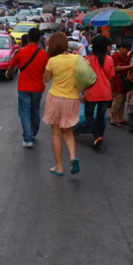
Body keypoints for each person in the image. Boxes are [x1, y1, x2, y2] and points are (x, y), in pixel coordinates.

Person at [42, 32, 81, 177]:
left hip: (56, 98)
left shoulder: (52, 61)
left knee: (56, 133)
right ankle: (73, 156)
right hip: (72, 98)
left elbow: (46, 80)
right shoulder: (76, 58)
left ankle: (59, 167)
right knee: (68, 131)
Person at [6, 28, 49, 149]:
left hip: (24, 87)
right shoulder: (43, 54)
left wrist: (8, 75)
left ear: (28, 38)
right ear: (39, 39)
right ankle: (33, 133)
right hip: (38, 88)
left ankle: (28, 138)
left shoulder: (21, 52)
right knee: (35, 111)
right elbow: (46, 72)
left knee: (24, 112)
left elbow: (11, 67)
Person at [83, 35, 115, 151]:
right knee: (101, 116)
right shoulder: (109, 59)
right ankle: (99, 139)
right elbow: (111, 77)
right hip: (105, 92)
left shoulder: (88, 59)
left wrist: (82, 93)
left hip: (91, 92)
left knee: (89, 115)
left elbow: (84, 78)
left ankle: (97, 137)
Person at [110, 42, 133, 126]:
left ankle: (120, 118)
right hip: (117, 80)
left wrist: (132, 65)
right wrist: (129, 67)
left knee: (123, 100)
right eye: (126, 49)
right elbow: (115, 68)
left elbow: (129, 62)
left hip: (124, 80)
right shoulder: (115, 56)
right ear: (121, 47)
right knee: (117, 100)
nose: (127, 51)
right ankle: (113, 119)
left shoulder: (125, 56)